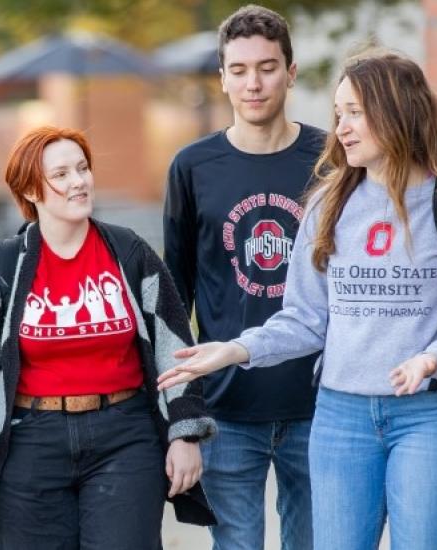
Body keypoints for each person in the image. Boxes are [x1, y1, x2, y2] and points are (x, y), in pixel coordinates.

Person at [157, 50, 437, 549]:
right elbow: (305, 318)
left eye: (355, 113)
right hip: (341, 417)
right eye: (338, 113)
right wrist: (236, 349)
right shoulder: (328, 203)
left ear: (396, 111)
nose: (341, 127)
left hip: (431, 414)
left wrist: (435, 357)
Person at [0, 126, 216, 549]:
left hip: (124, 438)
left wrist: (184, 434)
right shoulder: (1, 267)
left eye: (83, 169)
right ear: (31, 190)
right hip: (29, 441)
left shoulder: (129, 254)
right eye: (62, 174)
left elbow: (174, 347)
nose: (79, 182)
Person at [162, 6, 322, 548]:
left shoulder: (333, 160)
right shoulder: (192, 167)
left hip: (319, 402)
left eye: (268, 67)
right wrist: (181, 415)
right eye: (240, 69)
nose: (253, 83)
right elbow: (174, 297)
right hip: (225, 409)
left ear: (292, 71)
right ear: (223, 77)